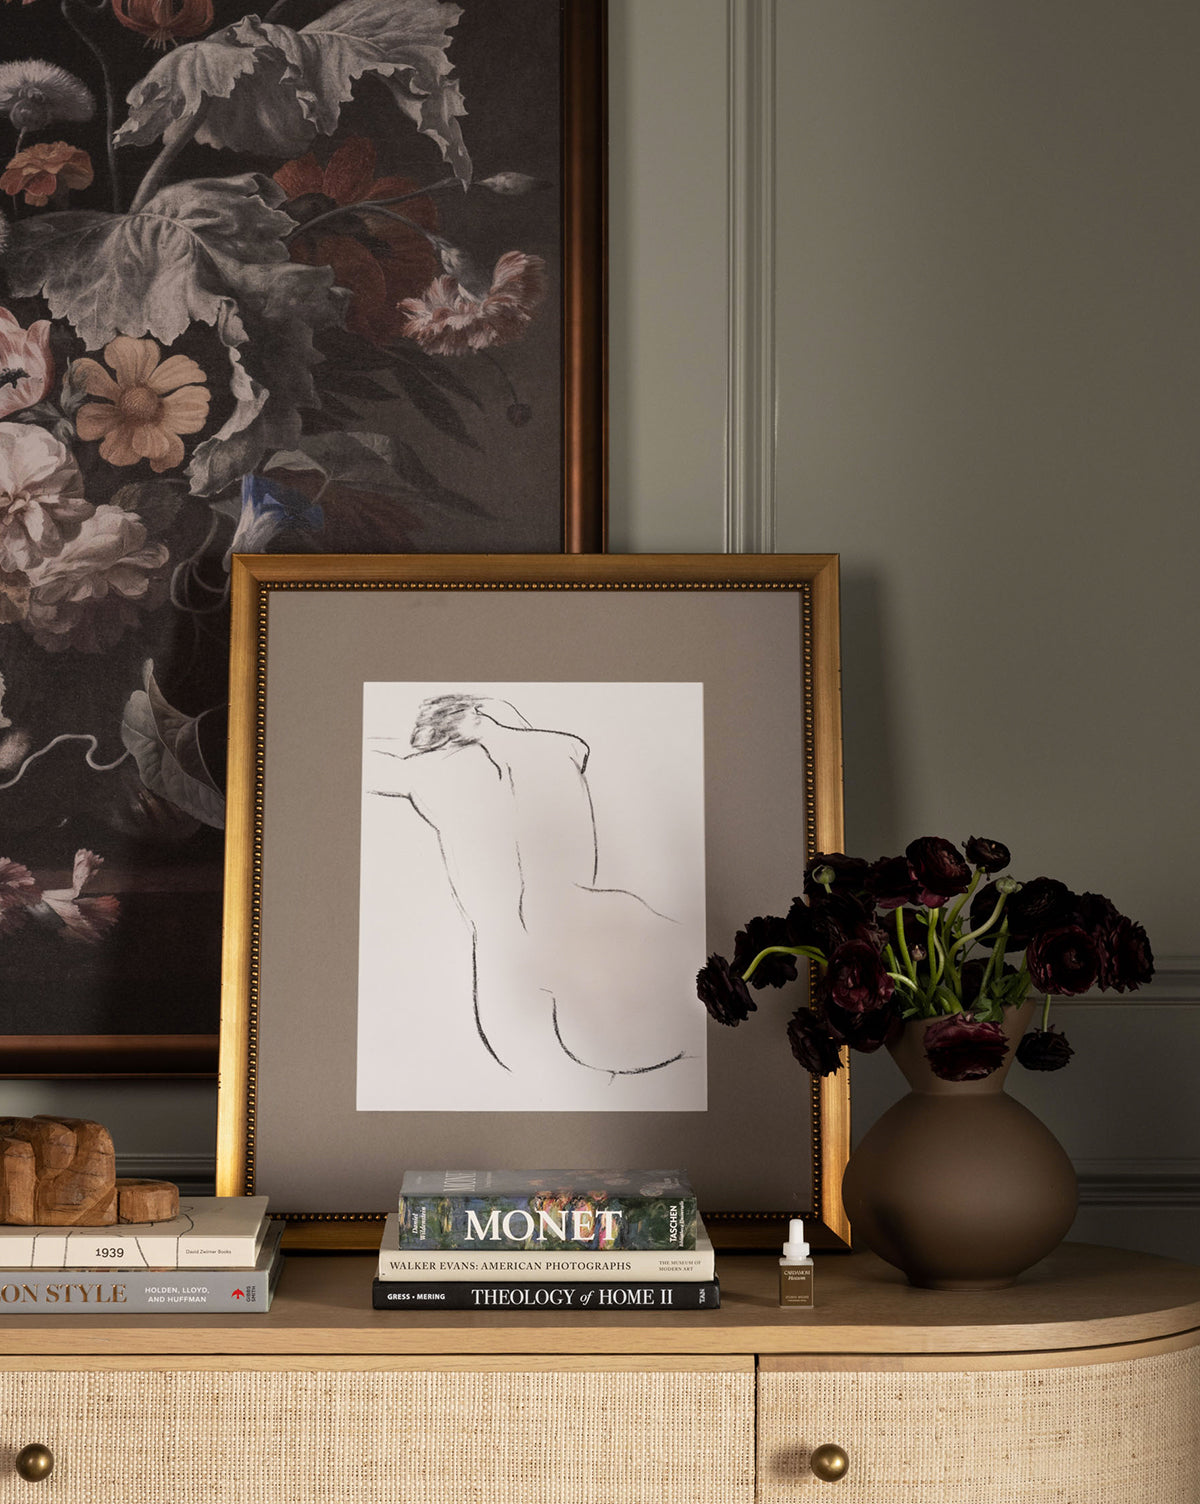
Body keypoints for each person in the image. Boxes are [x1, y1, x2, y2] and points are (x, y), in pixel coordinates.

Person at [366, 693, 695, 1081]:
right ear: (481, 712)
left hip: (507, 976)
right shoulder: (558, 746)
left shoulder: (426, 772)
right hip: (588, 935)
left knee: (557, 1084)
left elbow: (359, 760)